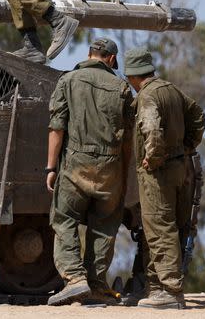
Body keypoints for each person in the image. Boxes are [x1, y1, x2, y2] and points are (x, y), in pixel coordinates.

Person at [45, 38, 135, 305]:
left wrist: (51, 167)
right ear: (111, 59)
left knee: (65, 219)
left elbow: (56, 128)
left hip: (76, 163)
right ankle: (95, 285)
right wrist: (124, 172)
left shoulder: (68, 81)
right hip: (111, 167)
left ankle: (74, 279)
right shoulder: (122, 87)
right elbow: (129, 137)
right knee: (104, 225)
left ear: (90, 54)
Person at [122, 47, 205, 309]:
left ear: (133, 76)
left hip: (158, 172)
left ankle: (170, 290)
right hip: (179, 168)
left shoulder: (147, 96)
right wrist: (188, 145)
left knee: (159, 228)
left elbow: (151, 128)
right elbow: (199, 116)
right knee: (165, 227)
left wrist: (153, 157)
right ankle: (154, 287)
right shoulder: (171, 90)